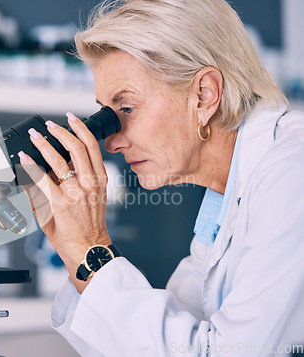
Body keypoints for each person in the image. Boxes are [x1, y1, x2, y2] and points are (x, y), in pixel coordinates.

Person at [17, 0, 304, 355]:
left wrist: (93, 249)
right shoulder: (224, 197)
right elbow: (172, 341)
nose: (111, 141)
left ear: (203, 95)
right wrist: (73, 248)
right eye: (108, 113)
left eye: (126, 108)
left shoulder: (293, 170)